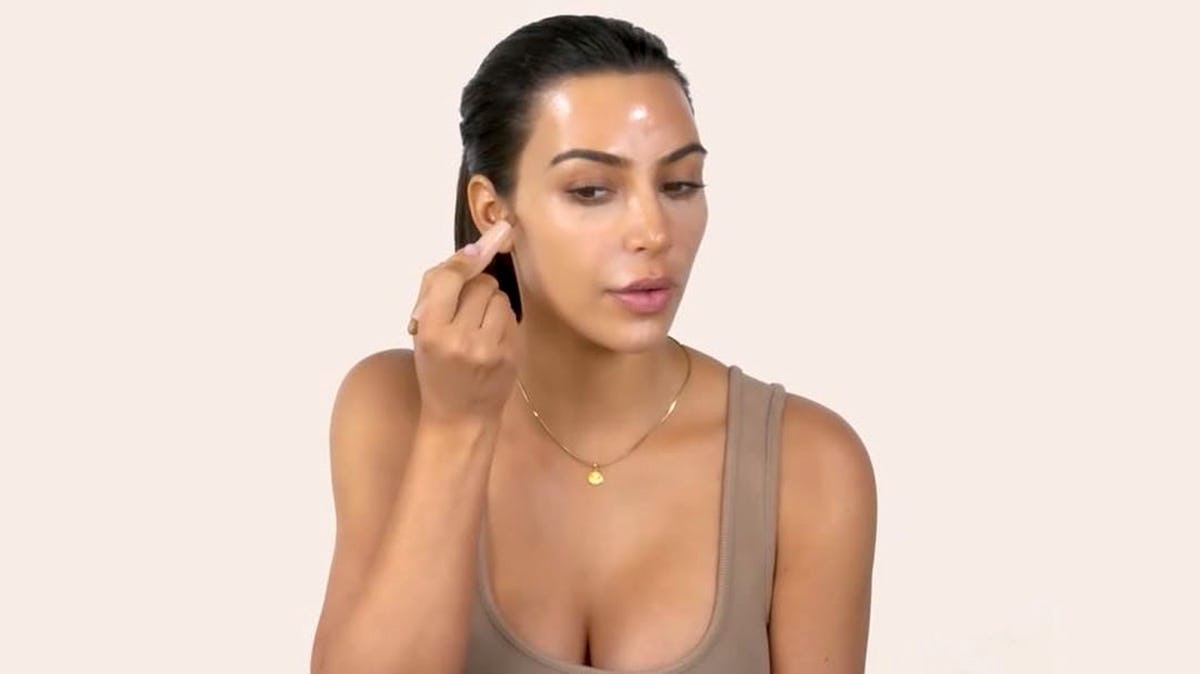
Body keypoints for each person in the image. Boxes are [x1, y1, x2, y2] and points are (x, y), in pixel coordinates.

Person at [310, 14, 877, 674]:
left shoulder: (808, 465)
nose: (653, 232)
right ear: (495, 213)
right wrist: (456, 428)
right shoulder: (391, 408)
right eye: (592, 191)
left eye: (679, 184)